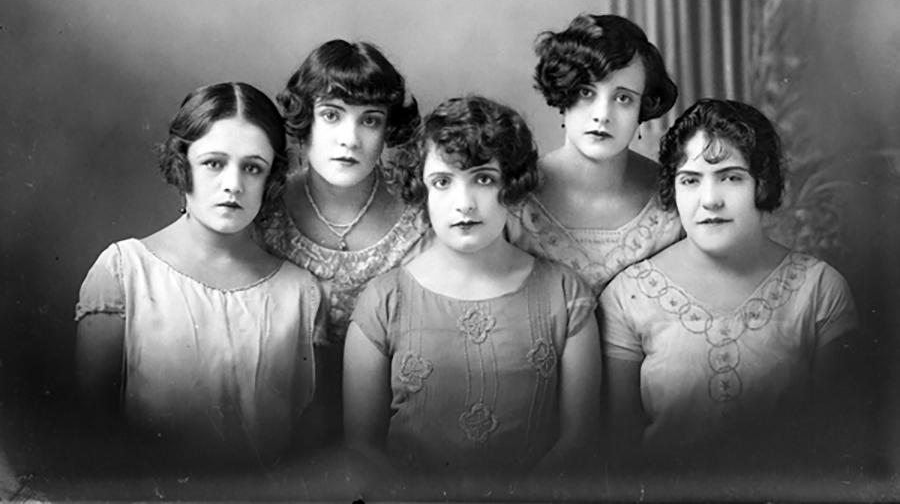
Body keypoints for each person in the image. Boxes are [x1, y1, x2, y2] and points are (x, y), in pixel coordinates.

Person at [343, 96, 602, 490]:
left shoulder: (566, 296)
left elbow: (579, 441)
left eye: (483, 179)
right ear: (421, 190)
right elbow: (362, 448)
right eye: (443, 183)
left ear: (510, 184)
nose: (463, 204)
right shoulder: (382, 301)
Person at [600, 98, 858, 470]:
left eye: (731, 177)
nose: (710, 200)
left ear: (762, 183)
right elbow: (620, 453)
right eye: (690, 180)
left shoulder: (820, 290)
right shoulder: (628, 296)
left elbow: (839, 441)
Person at [74, 82, 320, 470]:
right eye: (213, 163)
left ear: (272, 179)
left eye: (252, 168)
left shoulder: (298, 291)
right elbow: (93, 432)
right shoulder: (125, 271)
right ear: (182, 163)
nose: (233, 185)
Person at [257, 39, 428, 443]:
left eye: (370, 120)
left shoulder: (423, 216)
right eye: (331, 115)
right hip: (281, 428)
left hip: (394, 427)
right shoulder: (263, 209)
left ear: (388, 130)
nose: (349, 139)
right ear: (305, 120)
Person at [507, 14, 682, 294]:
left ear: (642, 109)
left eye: (623, 98)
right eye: (586, 92)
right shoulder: (515, 198)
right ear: (563, 96)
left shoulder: (675, 200)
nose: (602, 115)